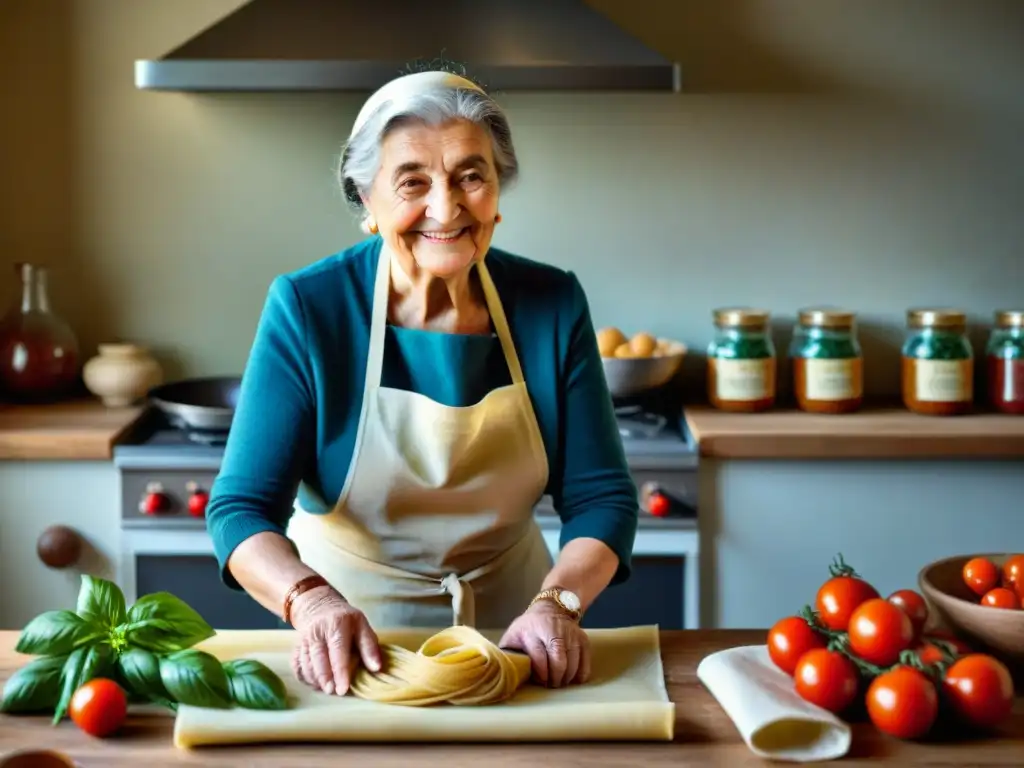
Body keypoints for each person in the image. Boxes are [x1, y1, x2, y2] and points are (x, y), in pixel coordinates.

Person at [204, 67, 639, 697]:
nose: (447, 207)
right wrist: (311, 603)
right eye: (413, 182)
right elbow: (240, 510)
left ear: (496, 189)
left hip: (518, 647)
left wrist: (559, 606)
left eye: (471, 175)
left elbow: (602, 498)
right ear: (367, 204)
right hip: (352, 653)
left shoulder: (551, 302)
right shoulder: (310, 307)